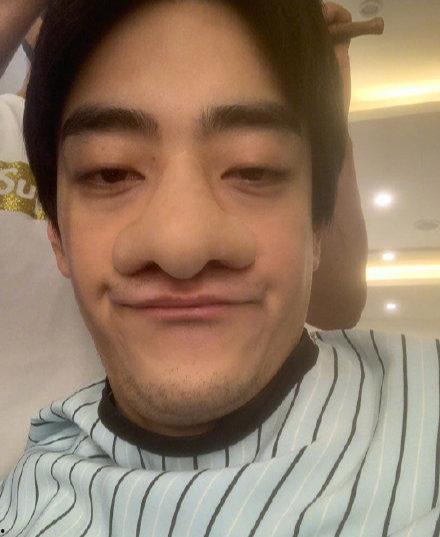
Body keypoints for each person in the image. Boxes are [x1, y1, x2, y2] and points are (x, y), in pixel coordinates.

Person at [1, 1, 438, 537]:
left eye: (253, 168)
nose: (182, 246)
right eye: (110, 172)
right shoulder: (27, 487)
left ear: (317, 224)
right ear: (56, 235)